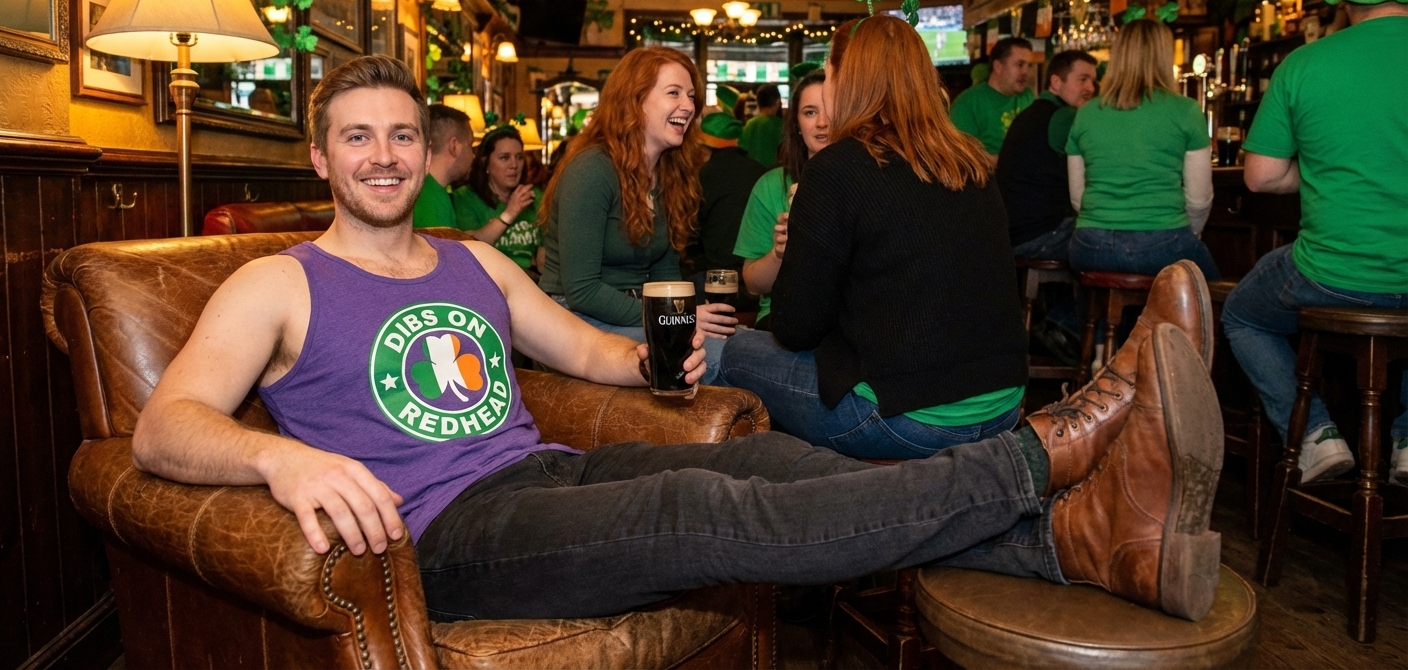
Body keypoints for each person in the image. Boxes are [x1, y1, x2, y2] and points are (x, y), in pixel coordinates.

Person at [129, 54, 1226, 625]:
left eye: (403, 136)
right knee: (696, 505)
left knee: (777, 461)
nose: (384, 156)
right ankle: (1045, 452)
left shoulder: (473, 264)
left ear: (426, 151)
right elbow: (163, 426)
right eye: (358, 139)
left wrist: (664, 353)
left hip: (546, 474)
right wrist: (281, 459)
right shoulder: (278, 282)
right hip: (443, 533)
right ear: (321, 159)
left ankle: (1083, 545)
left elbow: (590, 352)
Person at [719, 16, 1028, 460]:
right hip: (1004, 405)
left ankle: (784, 493)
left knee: (730, 350)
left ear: (846, 81)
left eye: (828, 73)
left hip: (904, 419)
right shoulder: (971, 158)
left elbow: (794, 327)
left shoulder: (836, 168)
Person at [1223, 0, 1408, 485]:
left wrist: (1329, 170)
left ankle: (1316, 436)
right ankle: (1407, 440)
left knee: (1242, 315)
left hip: (1332, 273)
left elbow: (1260, 177)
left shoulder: (1304, 64)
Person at [538, 47, 737, 384]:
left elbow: (664, 274)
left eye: (691, 96)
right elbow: (582, 291)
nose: (689, 106)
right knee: (717, 358)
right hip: (571, 322)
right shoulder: (592, 169)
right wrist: (679, 318)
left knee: (739, 345)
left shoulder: (669, 173)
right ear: (635, 100)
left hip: (637, 315)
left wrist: (683, 316)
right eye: (674, 93)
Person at [1065, 19, 1220, 281]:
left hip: (1090, 245)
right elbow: (1199, 198)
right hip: (1162, 241)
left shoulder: (1085, 113)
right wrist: (1190, 233)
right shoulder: (1186, 110)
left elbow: (1077, 198)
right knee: (1215, 293)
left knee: (1094, 295)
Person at [733, 69, 829, 331]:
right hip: (783, 318)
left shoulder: (866, 183)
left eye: (831, 110)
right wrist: (780, 253)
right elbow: (753, 285)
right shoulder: (772, 186)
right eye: (810, 112)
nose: (822, 122)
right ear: (796, 124)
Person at [996, 50, 1098, 260]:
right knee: (1115, 241)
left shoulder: (1032, 113)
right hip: (1042, 236)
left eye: (1092, 81)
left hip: (1011, 237)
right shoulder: (1066, 117)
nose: (1091, 88)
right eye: (1082, 79)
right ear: (1056, 82)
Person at [684, 112, 766, 279]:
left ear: (704, 149)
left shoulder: (703, 175)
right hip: (757, 272)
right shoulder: (761, 172)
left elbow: (689, 229)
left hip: (714, 274)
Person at [451, 125, 543, 272]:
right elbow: (470, 250)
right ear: (485, 163)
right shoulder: (465, 197)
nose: (514, 165)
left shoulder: (533, 195)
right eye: (504, 158)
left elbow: (545, 256)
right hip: (485, 279)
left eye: (519, 157)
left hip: (529, 279)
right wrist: (510, 212)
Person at [949, 37, 1034, 159]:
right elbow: (962, 157)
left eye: (1029, 65)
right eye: (1020, 65)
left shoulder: (1028, 97)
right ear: (998, 66)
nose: (1026, 72)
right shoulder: (967, 103)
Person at [411, 104, 474, 228]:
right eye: (470, 145)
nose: (473, 155)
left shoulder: (421, 187)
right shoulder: (432, 200)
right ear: (454, 147)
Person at [738, 83, 785, 168]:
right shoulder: (781, 125)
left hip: (750, 171)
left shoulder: (749, 124)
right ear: (777, 102)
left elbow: (741, 150)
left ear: (758, 102)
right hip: (772, 173)